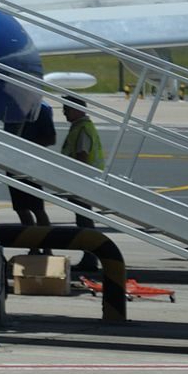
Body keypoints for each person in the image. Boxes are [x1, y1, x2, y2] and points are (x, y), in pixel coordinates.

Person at [63, 102, 107, 271]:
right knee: (83, 221)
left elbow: (82, 154)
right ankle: (89, 256)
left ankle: (91, 257)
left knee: (84, 222)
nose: (65, 113)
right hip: (83, 182)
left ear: (78, 110)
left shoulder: (83, 128)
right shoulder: (81, 127)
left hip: (82, 182)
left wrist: (74, 178)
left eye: (67, 110)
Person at [5, 96, 56, 238]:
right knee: (20, 208)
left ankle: (46, 246)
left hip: (30, 165)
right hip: (12, 164)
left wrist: (26, 145)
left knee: (37, 208)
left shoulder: (40, 111)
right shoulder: (11, 110)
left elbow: (51, 138)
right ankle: (32, 243)